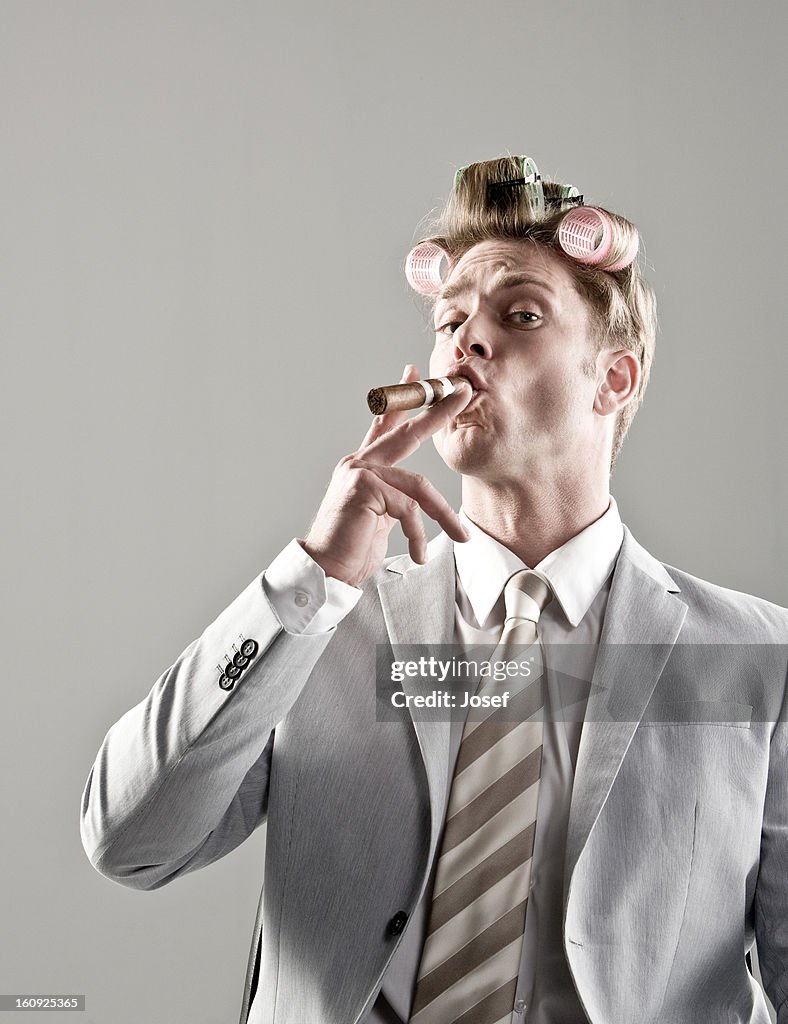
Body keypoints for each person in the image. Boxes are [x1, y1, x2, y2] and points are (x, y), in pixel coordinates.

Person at [80, 155, 788, 1024]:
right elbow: (129, 843)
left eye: (518, 314)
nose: (466, 341)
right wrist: (310, 581)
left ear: (615, 378)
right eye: (450, 320)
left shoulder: (760, 661)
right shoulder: (319, 626)